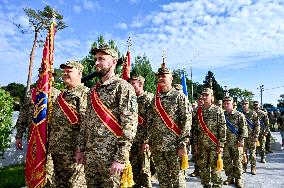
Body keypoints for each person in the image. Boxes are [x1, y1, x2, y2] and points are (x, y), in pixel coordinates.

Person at [75, 44, 138, 187]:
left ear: (114, 62)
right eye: (96, 59)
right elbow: (86, 122)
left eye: (102, 59)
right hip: (91, 158)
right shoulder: (93, 90)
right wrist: (81, 148)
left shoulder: (123, 87)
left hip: (111, 159)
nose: (96, 62)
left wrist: (121, 158)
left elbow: (130, 124)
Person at [147, 63, 192, 188]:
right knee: (163, 179)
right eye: (159, 76)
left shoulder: (180, 97)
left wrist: (183, 144)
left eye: (164, 75)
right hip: (157, 147)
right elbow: (150, 122)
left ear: (171, 78)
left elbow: (187, 122)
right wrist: (149, 141)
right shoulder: (154, 99)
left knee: (178, 180)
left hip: (174, 147)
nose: (161, 78)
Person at [15, 69, 59, 187]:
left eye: (51, 75)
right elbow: (23, 115)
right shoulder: (31, 93)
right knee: (33, 170)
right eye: (43, 75)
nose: (46, 77)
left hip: (51, 141)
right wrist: (18, 136)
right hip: (34, 140)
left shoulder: (57, 94)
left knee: (50, 174)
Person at [48, 60, 88, 187]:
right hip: (57, 150)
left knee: (75, 185)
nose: (65, 74)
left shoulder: (85, 93)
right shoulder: (61, 95)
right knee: (60, 184)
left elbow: (86, 124)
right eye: (64, 71)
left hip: (74, 152)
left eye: (69, 71)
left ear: (79, 73)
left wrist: (81, 149)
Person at [195, 88, 226, 188]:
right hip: (202, 145)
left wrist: (220, 145)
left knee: (215, 169)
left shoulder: (218, 110)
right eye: (203, 95)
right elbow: (195, 129)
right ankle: (206, 186)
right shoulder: (198, 111)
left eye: (206, 95)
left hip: (214, 145)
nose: (204, 97)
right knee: (203, 169)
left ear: (211, 97)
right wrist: (195, 144)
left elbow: (222, 129)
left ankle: (217, 186)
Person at [129, 75, 153, 188]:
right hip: (132, 140)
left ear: (141, 84)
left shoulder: (147, 99)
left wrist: (147, 140)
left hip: (143, 140)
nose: (130, 85)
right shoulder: (131, 99)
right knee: (134, 168)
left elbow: (150, 121)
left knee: (145, 169)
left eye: (133, 83)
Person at [223, 96, 248, 188]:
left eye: (228, 103)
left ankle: (238, 179)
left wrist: (241, 141)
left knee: (238, 162)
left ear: (232, 104)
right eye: (224, 103)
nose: (226, 105)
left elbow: (244, 129)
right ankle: (230, 177)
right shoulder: (222, 115)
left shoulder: (239, 115)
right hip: (225, 143)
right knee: (227, 161)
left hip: (237, 143)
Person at [241, 100, 260, 175]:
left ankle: (253, 168)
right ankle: (244, 167)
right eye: (243, 104)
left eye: (246, 104)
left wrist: (256, 136)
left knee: (252, 154)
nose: (244, 105)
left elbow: (257, 125)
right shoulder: (240, 114)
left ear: (248, 105)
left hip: (252, 137)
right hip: (243, 138)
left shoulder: (253, 113)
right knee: (243, 154)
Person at [190, 95, 203, 177]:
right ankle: (197, 170)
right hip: (195, 136)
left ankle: (205, 171)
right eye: (199, 99)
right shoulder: (194, 111)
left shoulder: (208, 110)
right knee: (196, 154)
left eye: (202, 99)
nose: (201, 100)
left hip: (206, 137)